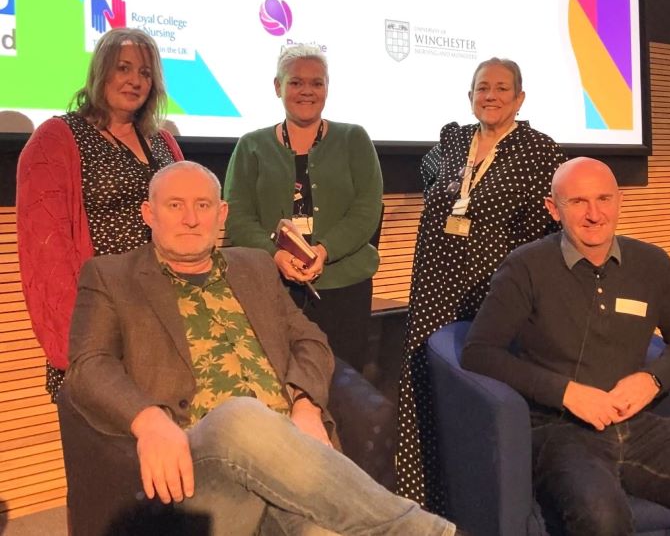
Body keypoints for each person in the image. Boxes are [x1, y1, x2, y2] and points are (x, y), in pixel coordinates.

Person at [62, 161, 466, 536]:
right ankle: (424, 530)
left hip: (287, 456)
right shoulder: (111, 276)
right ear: (149, 214)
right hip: (195, 451)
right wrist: (148, 421)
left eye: (202, 205)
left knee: (322, 530)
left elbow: (308, 339)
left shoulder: (253, 266)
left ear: (221, 214)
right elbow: (87, 363)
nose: (190, 218)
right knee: (240, 415)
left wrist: (305, 403)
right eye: (174, 205)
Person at [461, 157, 670, 535]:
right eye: (577, 202)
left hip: (641, 426)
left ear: (619, 201)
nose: (594, 214)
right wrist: (567, 392)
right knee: (603, 519)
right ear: (553, 209)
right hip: (562, 430)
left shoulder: (651, 263)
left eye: (604, 199)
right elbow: (479, 353)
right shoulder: (525, 266)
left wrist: (652, 380)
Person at [397, 57, 566, 511]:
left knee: (478, 389)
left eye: (501, 88)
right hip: (434, 286)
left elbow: (549, 229)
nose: (490, 96)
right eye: (482, 88)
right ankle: (422, 499)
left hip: (495, 294)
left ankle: (475, 496)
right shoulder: (451, 139)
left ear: (520, 98)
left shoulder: (541, 150)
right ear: (470, 95)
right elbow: (433, 187)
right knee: (424, 383)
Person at [16, 27, 184, 401]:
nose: (134, 81)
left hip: (165, 321)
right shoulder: (57, 138)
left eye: (144, 73)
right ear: (100, 72)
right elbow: (44, 253)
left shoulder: (163, 141)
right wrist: (79, 343)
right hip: (100, 320)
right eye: (123, 68)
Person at [223, 44, 383, 372]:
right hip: (272, 286)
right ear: (277, 86)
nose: (306, 91)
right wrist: (275, 254)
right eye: (296, 82)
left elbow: (366, 209)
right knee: (279, 378)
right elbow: (237, 215)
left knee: (344, 385)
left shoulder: (354, 139)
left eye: (317, 82)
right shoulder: (251, 145)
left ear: (327, 88)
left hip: (343, 288)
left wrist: (323, 251)